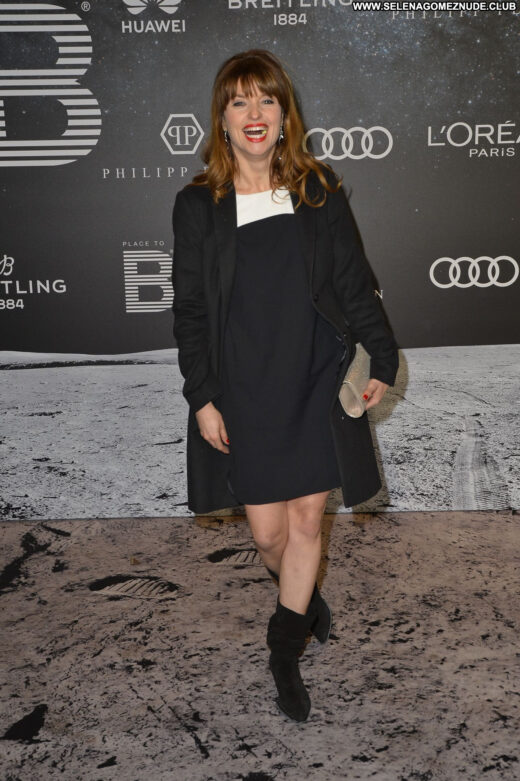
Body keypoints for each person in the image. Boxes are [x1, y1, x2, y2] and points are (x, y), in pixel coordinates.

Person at [172, 49, 399, 722]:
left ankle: (284, 649)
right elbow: (190, 311)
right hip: (243, 387)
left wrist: (382, 359)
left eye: (266, 100)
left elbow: (353, 283)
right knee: (269, 535)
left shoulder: (316, 190)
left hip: (313, 379)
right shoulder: (198, 205)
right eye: (239, 101)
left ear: (284, 114)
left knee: (306, 522)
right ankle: (302, 602)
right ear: (221, 118)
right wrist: (202, 396)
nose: (254, 113)